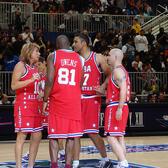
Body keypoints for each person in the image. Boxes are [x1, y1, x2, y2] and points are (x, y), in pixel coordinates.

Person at [43, 35, 84, 168]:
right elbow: (81, 82)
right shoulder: (80, 58)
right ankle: (68, 165)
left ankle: (54, 165)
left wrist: (45, 99)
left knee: (54, 136)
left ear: (57, 46)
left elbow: (49, 80)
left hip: (57, 100)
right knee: (71, 136)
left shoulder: (53, 56)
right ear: (69, 44)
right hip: (74, 102)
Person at [73, 33, 111, 167]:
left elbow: (110, 74)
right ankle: (75, 162)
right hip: (76, 99)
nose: (74, 44)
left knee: (92, 133)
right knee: (75, 133)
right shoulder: (74, 58)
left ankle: (105, 159)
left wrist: (102, 86)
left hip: (92, 99)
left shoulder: (98, 57)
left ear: (83, 43)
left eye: (76, 42)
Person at [11, 43, 43, 168]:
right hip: (24, 105)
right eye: (36, 52)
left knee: (37, 136)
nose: (39, 54)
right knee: (22, 136)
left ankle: (30, 166)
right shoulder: (20, 65)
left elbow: (36, 86)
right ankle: (19, 166)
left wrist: (40, 93)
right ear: (29, 53)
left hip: (36, 105)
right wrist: (31, 80)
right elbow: (13, 86)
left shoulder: (35, 67)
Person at [98, 48, 131, 168]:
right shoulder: (122, 71)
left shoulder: (117, 71)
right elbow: (118, 90)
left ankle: (122, 162)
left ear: (116, 57)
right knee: (119, 136)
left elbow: (122, 90)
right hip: (120, 104)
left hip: (116, 106)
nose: (107, 57)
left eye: (109, 55)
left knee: (110, 136)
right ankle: (122, 161)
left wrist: (119, 108)